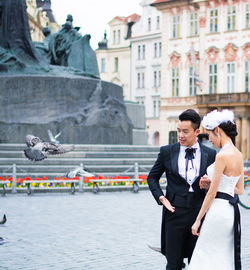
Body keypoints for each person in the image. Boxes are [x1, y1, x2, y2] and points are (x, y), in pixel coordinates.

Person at [147, 109, 217, 270]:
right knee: (173, 264)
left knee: (198, 263)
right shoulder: (167, 151)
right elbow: (152, 177)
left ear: (197, 132)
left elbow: (216, 183)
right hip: (173, 213)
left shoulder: (211, 154)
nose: (181, 135)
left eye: (185, 131)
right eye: (179, 131)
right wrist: (161, 198)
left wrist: (209, 183)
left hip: (199, 215)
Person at [188, 109, 244, 270]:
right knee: (222, 257)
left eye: (210, 134)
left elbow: (212, 193)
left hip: (217, 212)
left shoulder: (221, 156)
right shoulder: (239, 155)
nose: (209, 139)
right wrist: (215, 182)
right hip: (230, 213)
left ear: (218, 130)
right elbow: (239, 189)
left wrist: (198, 220)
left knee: (204, 255)